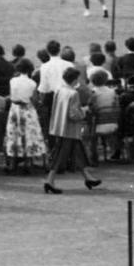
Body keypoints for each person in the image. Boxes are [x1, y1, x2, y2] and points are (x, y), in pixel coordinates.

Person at [41, 66, 101, 195]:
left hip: (59, 126)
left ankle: (88, 177)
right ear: (74, 79)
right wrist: (84, 111)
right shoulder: (73, 93)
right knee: (61, 155)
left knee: (77, 151)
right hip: (70, 129)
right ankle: (49, 180)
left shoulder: (59, 90)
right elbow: (74, 115)